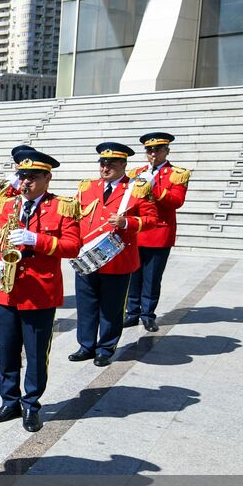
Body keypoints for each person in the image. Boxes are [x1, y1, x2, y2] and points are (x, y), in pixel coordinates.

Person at [0, 150, 80, 432]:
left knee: (37, 353)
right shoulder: (4, 206)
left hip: (39, 291)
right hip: (6, 290)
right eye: (22, 176)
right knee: (7, 349)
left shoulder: (62, 206)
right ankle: (9, 400)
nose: (25, 182)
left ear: (47, 178)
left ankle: (32, 404)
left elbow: (73, 246)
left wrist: (36, 240)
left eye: (32, 177)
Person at [71, 142, 157, 367]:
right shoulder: (86, 187)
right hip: (87, 257)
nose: (105, 168)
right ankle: (86, 345)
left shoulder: (136, 188)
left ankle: (106, 347)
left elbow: (151, 220)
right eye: (102, 163)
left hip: (118, 259)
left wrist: (127, 222)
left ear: (123, 165)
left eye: (111, 164)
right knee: (86, 304)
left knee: (111, 307)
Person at [126, 132, 190, 332]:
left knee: (152, 277)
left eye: (157, 150)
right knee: (133, 276)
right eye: (149, 150)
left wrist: (154, 188)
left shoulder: (177, 174)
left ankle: (147, 314)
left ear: (166, 151)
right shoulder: (137, 172)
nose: (153, 153)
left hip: (159, 232)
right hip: (137, 230)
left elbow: (176, 201)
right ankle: (131, 312)